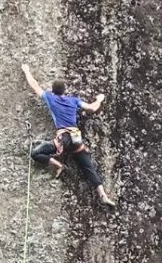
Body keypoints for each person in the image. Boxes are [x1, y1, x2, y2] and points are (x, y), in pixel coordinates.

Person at [21, 63, 116, 207]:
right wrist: (100, 99)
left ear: (53, 91)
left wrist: (26, 70)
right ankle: (102, 194)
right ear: (64, 91)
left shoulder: (50, 98)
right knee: (88, 167)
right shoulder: (74, 101)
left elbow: (34, 85)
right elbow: (91, 108)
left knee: (35, 153)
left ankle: (59, 165)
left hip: (64, 139)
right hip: (76, 139)